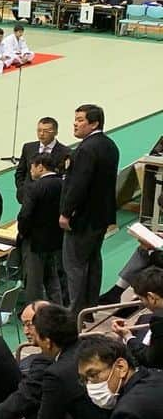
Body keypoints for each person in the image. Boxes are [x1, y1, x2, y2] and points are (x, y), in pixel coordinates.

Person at [60, 104, 119, 317]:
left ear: (94, 123)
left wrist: (66, 212)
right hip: (101, 217)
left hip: (82, 219)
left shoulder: (86, 149)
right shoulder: (110, 145)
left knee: (74, 266)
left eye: (80, 120)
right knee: (93, 263)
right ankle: (90, 309)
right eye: (75, 119)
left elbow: (78, 184)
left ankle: (74, 313)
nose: (75, 123)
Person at [17, 152, 67, 304]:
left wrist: (23, 233)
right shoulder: (63, 184)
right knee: (52, 278)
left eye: (31, 168)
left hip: (35, 242)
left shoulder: (34, 187)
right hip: (56, 239)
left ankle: (34, 314)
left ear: (40, 167)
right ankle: (57, 309)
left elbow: (25, 215)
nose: (30, 172)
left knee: (34, 282)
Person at [113, 267, 163, 368]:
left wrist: (127, 336)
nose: (141, 302)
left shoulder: (160, 322)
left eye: (141, 299)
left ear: (151, 297)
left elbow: (150, 359)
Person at [14, 116, 69, 202]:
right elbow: (20, 172)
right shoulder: (28, 148)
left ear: (55, 132)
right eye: (39, 130)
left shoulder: (66, 152)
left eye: (46, 131)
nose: (41, 134)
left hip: (51, 199)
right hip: (28, 197)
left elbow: (65, 177)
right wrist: (22, 189)